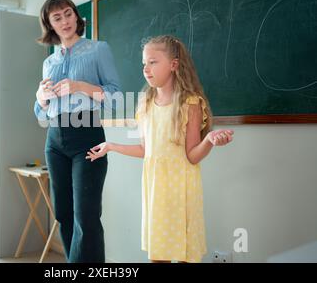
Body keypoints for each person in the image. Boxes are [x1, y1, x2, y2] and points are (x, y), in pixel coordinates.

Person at [86, 35, 234, 263]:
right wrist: (111, 146)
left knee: (185, 255)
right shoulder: (145, 103)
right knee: (158, 255)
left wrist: (209, 141)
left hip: (182, 192)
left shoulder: (190, 103)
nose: (146, 68)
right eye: (144, 63)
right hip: (156, 192)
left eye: (153, 62)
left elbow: (193, 156)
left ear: (173, 65)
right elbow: (147, 150)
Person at [34, 0, 121, 263]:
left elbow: (116, 98)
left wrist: (81, 86)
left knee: (86, 215)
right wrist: (40, 97)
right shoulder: (49, 62)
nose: (65, 21)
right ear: (50, 25)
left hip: (87, 133)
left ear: (76, 16)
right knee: (63, 214)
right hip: (55, 139)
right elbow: (42, 113)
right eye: (57, 17)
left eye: (68, 14)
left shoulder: (98, 49)